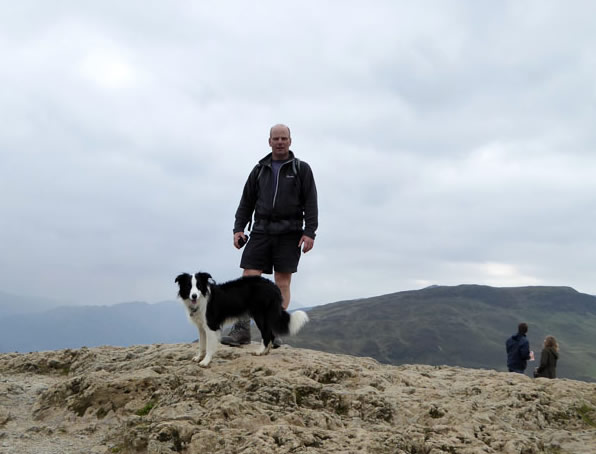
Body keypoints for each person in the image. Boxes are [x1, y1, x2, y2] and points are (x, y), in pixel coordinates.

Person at [221, 124, 318, 347]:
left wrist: (309, 232)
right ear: (269, 142)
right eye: (276, 138)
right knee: (249, 278)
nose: (280, 142)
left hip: (290, 232)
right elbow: (246, 203)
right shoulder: (259, 170)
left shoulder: (301, 169)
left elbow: (311, 203)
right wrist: (238, 229)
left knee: (282, 282)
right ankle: (241, 330)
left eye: (284, 138)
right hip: (261, 230)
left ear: (290, 141)